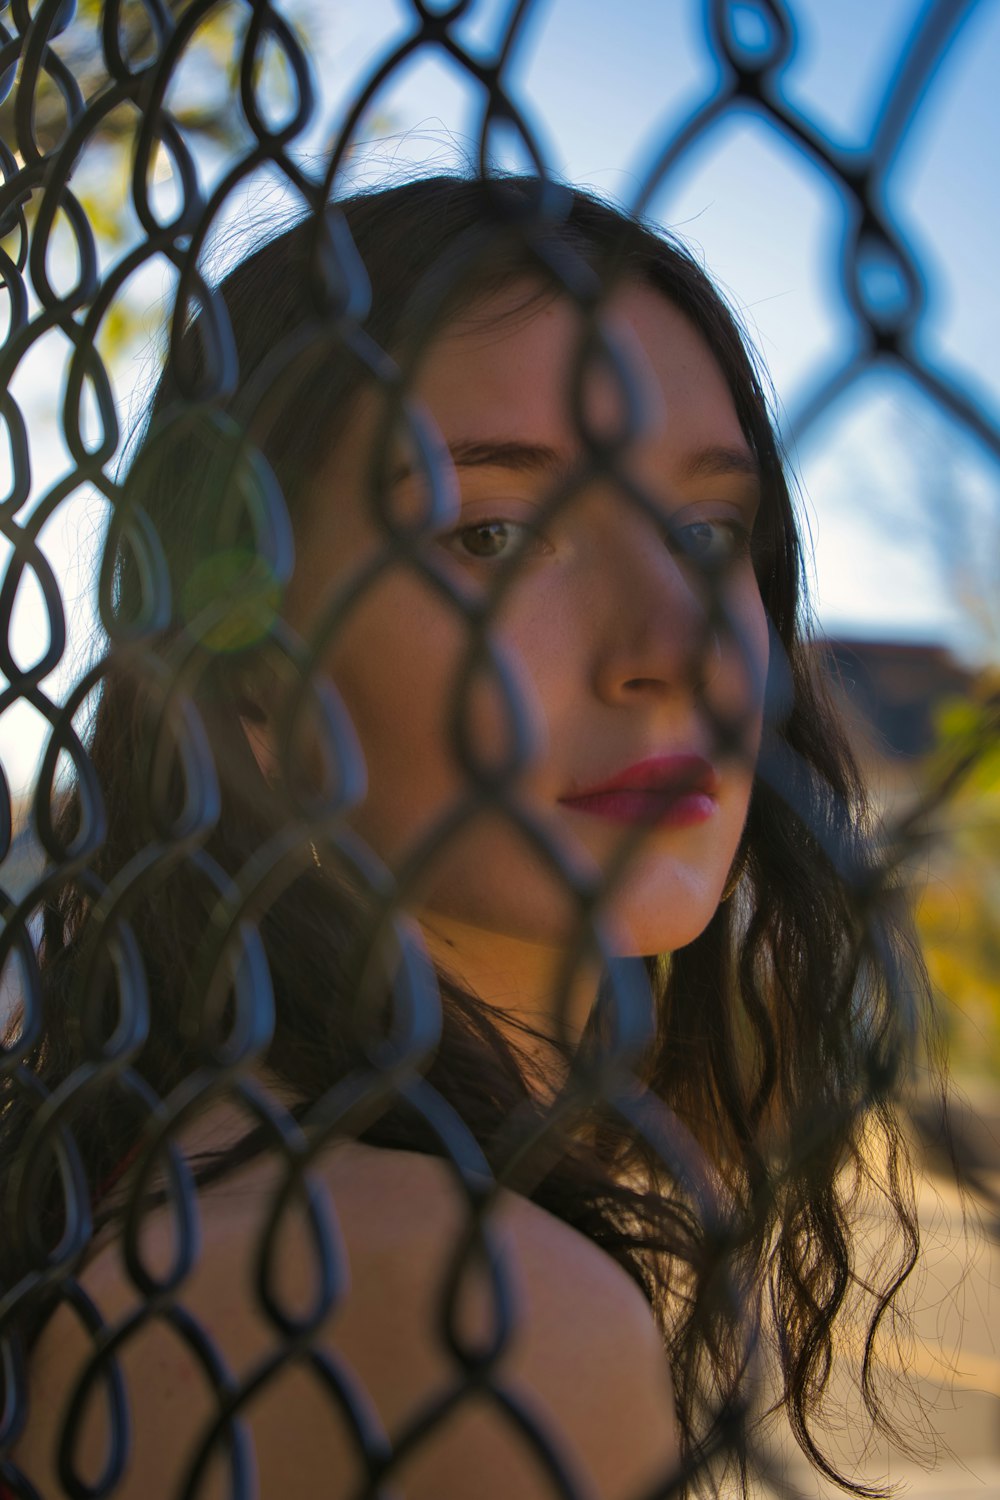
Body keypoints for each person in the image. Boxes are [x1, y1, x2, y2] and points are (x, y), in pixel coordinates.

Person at [0, 175, 926, 1498]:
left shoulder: (165, 1147)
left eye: (708, 533)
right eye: (493, 533)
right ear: (251, 671)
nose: (674, 648)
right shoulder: (480, 1311)